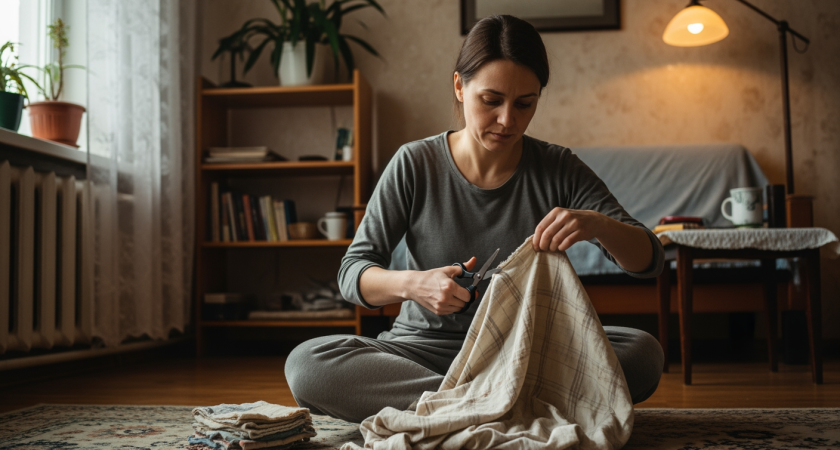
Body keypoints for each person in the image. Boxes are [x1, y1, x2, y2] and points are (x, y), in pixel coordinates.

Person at [285, 15, 665, 424]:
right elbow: (352, 275)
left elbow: (649, 261)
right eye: (491, 100)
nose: (507, 120)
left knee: (643, 352)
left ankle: (461, 407)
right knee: (308, 363)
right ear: (459, 87)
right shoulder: (414, 163)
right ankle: (502, 402)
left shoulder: (559, 168)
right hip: (422, 353)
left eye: (525, 104)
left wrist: (598, 225)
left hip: (527, 351)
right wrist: (415, 284)